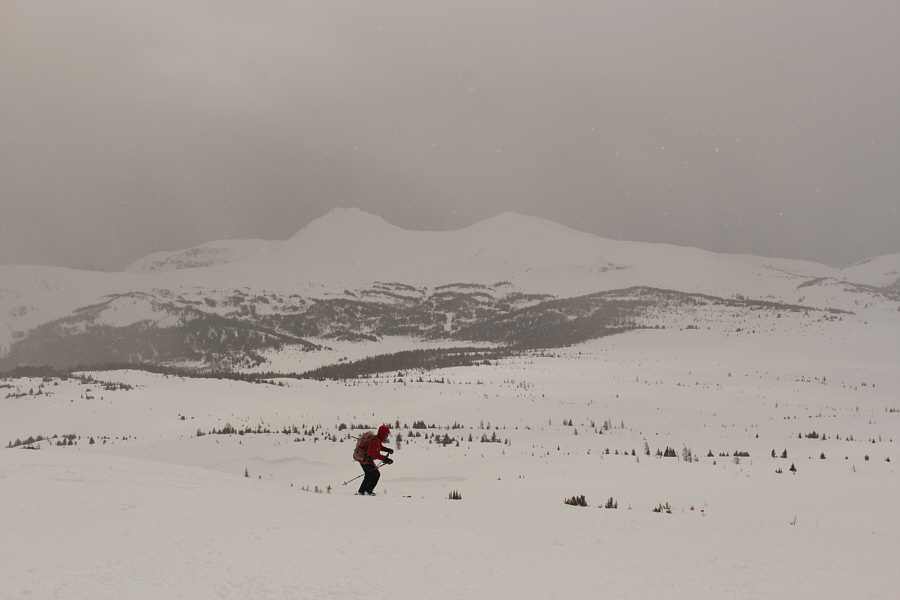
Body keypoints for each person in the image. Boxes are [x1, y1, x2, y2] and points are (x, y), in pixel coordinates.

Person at [357, 425, 393, 495]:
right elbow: (375, 455)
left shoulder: (376, 439)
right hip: (366, 461)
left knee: (369, 475)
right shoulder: (376, 441)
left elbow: (378, 447)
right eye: (386, 435)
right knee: (376, 475)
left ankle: (361, 491)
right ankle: (368, 491)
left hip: (363, 460)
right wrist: (386, 459)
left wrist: (386, 450)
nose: (387, 437)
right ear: (383, 434)